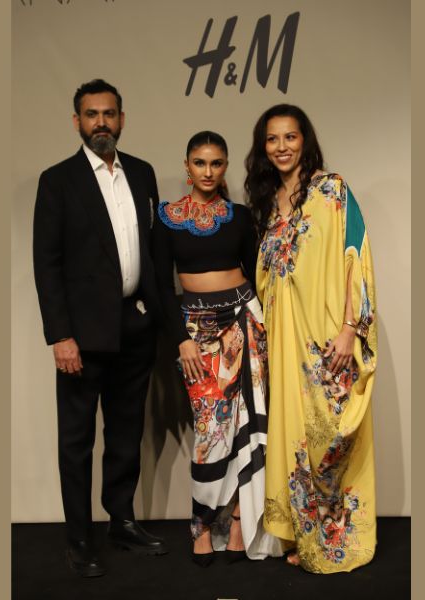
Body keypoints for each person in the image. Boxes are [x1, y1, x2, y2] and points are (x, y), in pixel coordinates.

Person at [33, 79, 167, 578]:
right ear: (77, 122)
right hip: (81, 337)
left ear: (122, 119)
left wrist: (156, 316)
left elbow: (152, 252)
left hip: (135, 327)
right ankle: (78, 537)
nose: (101, 123)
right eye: (91, 115)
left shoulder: (142, 173)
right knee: (77, 442)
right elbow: (47, 264)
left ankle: (121, 521)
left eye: (109, 113)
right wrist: (59, 336)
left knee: (126, 433)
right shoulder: (58, 181)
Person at [245, 104, 378, 574]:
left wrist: (349, 330)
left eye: (290, 137)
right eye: (272, 139)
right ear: (263, 147)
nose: (282, 147)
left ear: (305, 140)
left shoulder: (333, 191)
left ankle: (334, 539)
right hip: (284, 341)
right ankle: (302, 537)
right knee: (293, 439)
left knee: (327, 439)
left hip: (325, 341)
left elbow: (356, 257)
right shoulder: (269, 203)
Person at [152, 131, 282, 567]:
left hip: (246, 320)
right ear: (187, 166)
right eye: (200, 162)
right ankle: (203, 525)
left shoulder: (239, 216)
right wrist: (181, 339)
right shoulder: (167, 218)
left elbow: (257, 272)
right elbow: (160, 286)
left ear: (225, 167)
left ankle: (242, 520)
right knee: (210, 429)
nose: (208, 171)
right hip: (197, 329)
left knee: (251, 422)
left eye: (216, 163)